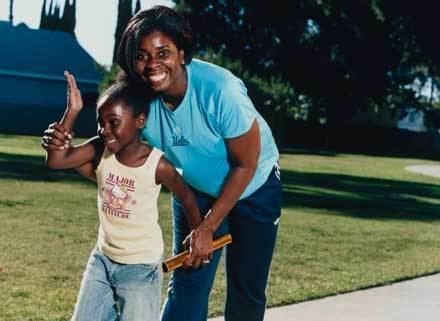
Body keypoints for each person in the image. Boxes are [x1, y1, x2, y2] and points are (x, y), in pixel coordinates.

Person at [43, 5, 282, 321]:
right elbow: (106, 155)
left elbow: (244, 164)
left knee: (247, 289)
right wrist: (64, 143)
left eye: (163, 52)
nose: (153, 64)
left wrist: (207, 227)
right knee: (188, 281)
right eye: (142, 56)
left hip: (254, 185)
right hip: (194, 189)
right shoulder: (138, 102)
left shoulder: (220, 90)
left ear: (182, 53)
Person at [45, 71, 202, 321]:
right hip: (102, 260)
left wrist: (198, 234)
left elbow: (187, 196)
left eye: (113, 122)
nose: (104, 130)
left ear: (139, 121)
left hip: (140, 268)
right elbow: (56, 160)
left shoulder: (157, 165)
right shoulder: (99, 149)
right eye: (100, 122)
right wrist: (72, 112)